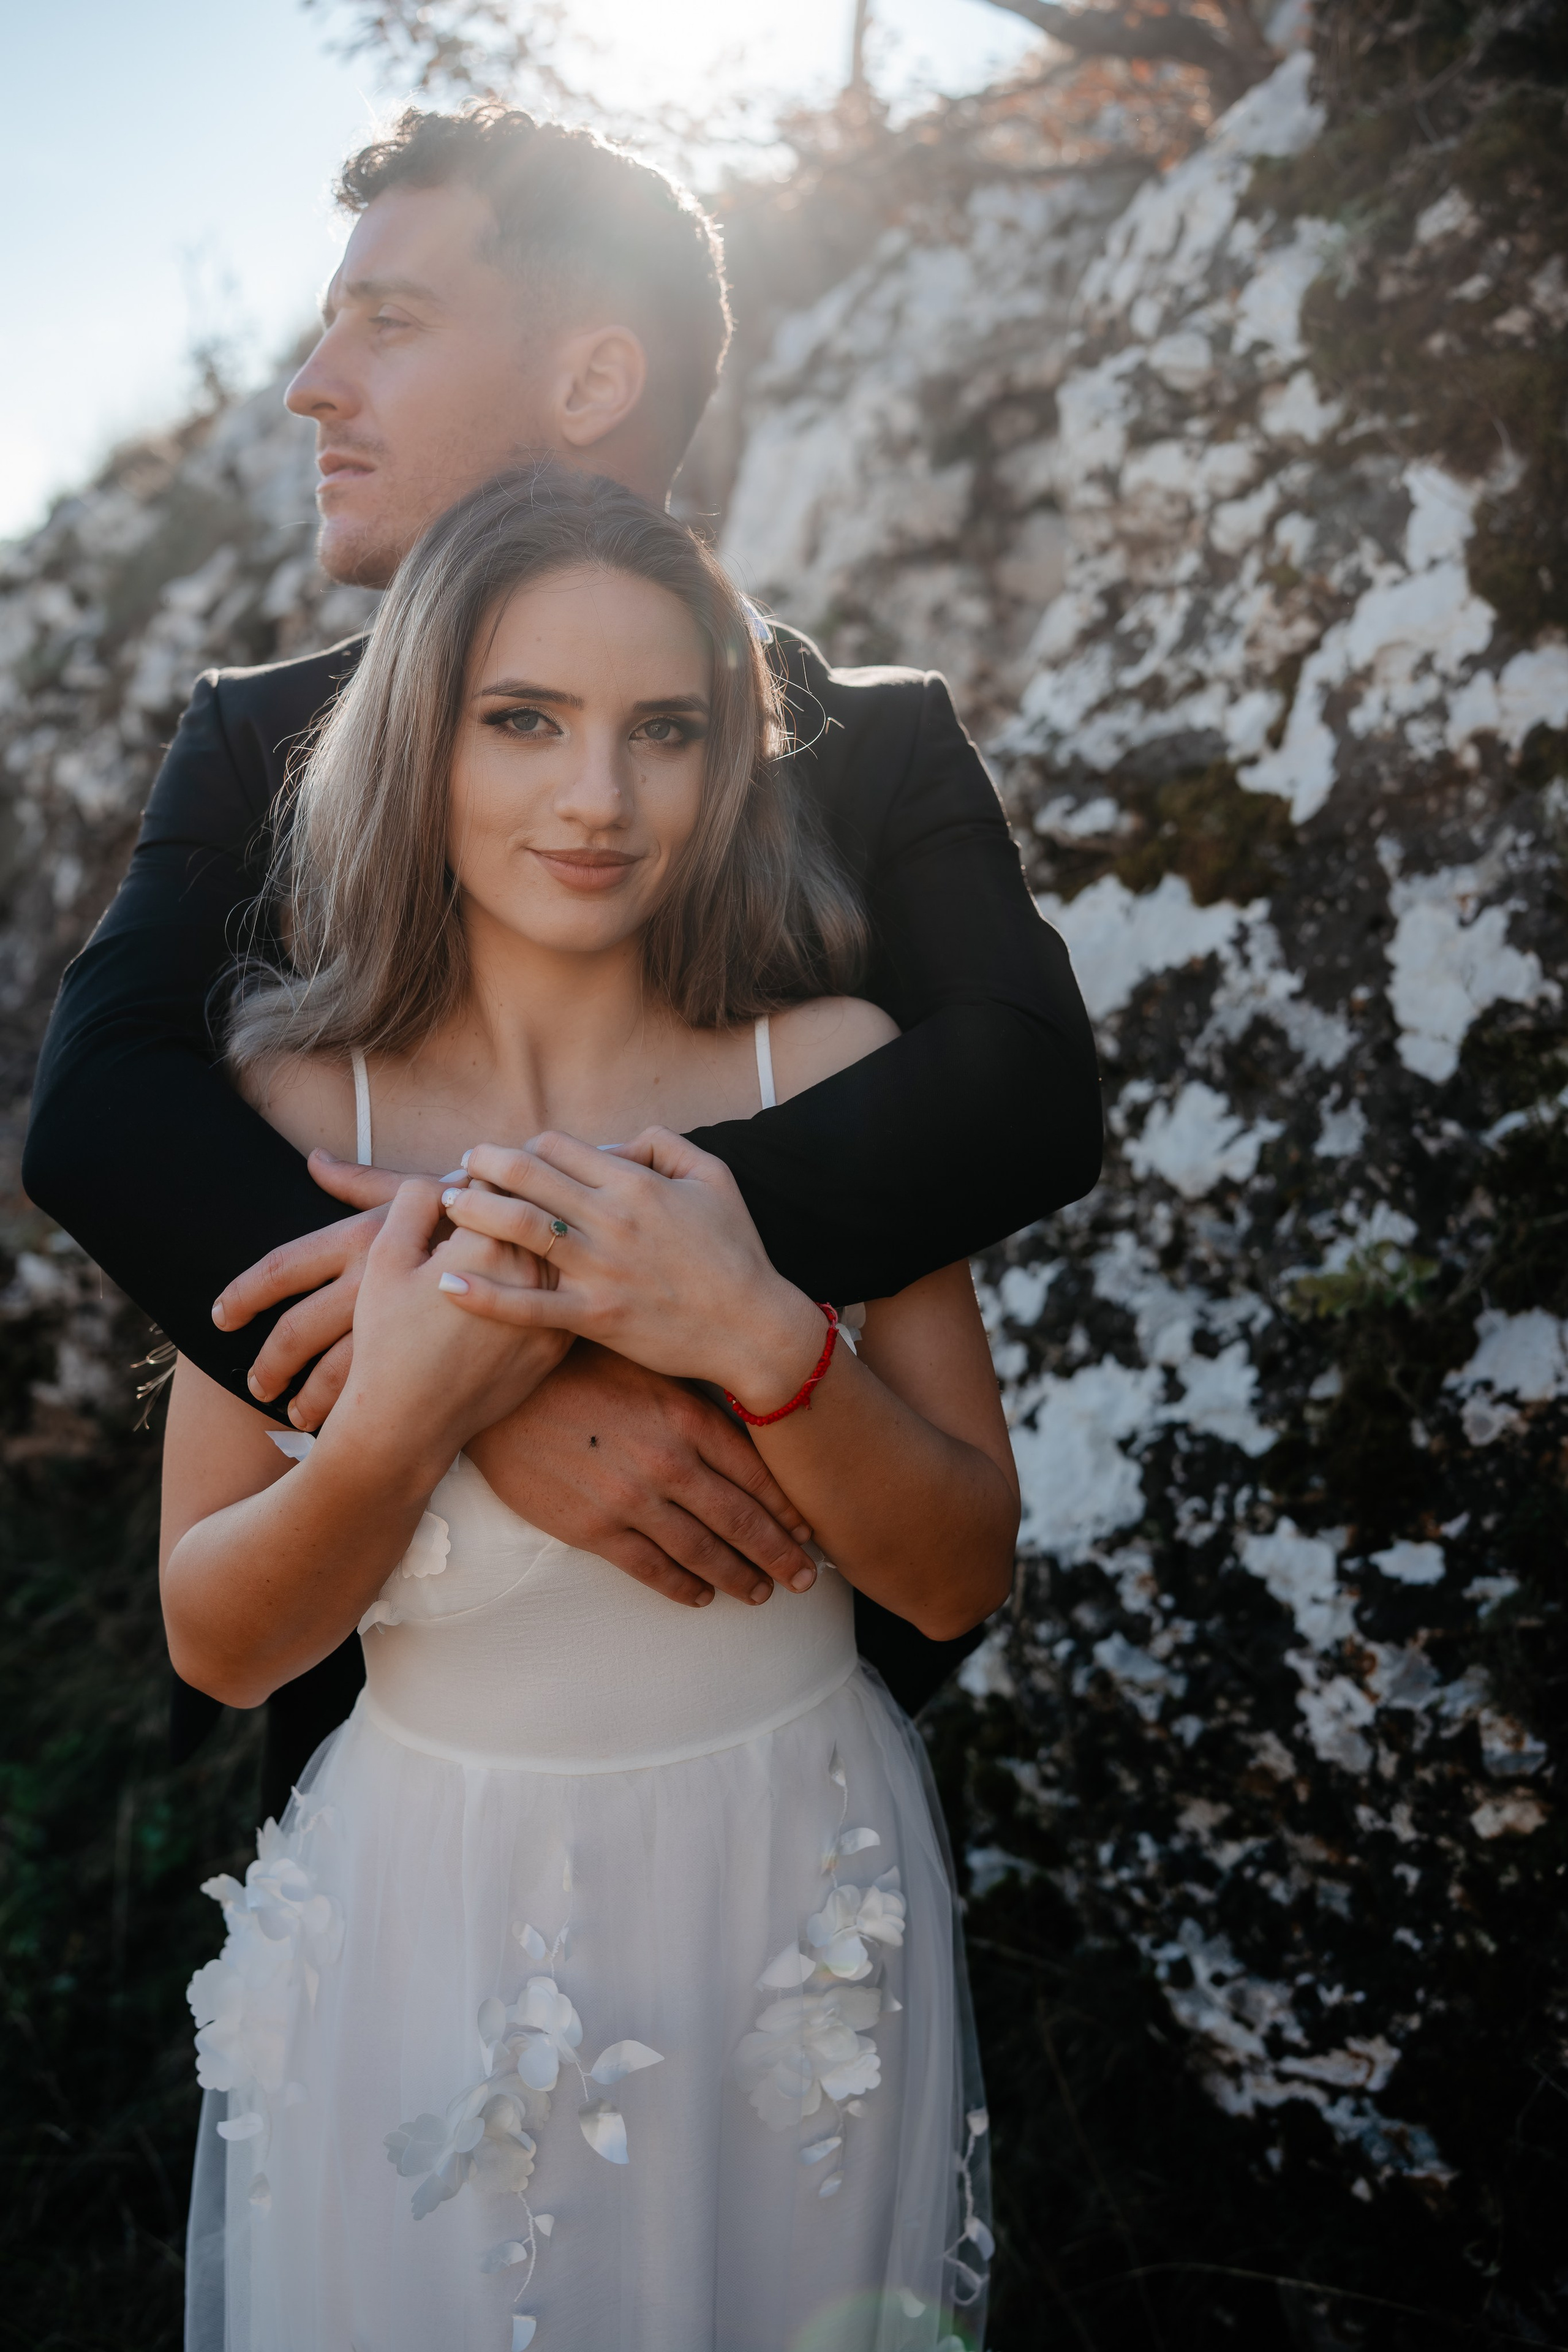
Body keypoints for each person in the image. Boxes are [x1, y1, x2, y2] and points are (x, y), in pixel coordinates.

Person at [23, 105, 1101, 1820]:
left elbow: (1028, 1094)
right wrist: (478, 1370)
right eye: (514, 724)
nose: (313, 382)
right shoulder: (259, 739)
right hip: (408, 1777)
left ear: (593, 383)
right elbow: (96, 1112)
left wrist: (599, 1284)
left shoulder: (877, 743)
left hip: (780, 1745)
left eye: (388, 320)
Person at [170, 464, 1013, 2350]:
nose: (598, 799)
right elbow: (221, 1638)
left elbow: (958, 1578)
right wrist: (405, 1428)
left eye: (666, 731)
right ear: (420, 736)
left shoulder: (842, 1068)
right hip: (426, 1917)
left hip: (791, 1903)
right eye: (524, 721)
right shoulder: (307, 1122)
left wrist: (757, 1336)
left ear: (735, 762)